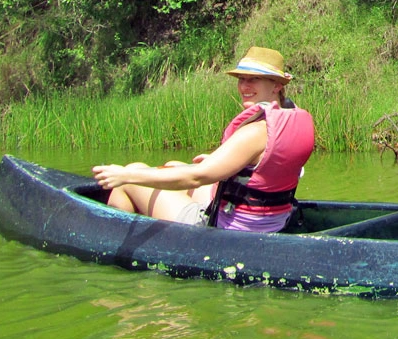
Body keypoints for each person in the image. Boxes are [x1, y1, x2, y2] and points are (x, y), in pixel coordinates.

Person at [93, 47, 315, 233]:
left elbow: (196, 177)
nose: (244, 86)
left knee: (132, 176)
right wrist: (224, 162)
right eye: (241, 79)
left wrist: (124, 175)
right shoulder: (290, 120)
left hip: (232, 227)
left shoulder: (256, 131)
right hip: (274, 220)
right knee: (172, 165)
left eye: (254, 79)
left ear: (277, 85)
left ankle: (112, 244)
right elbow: (269, 166)